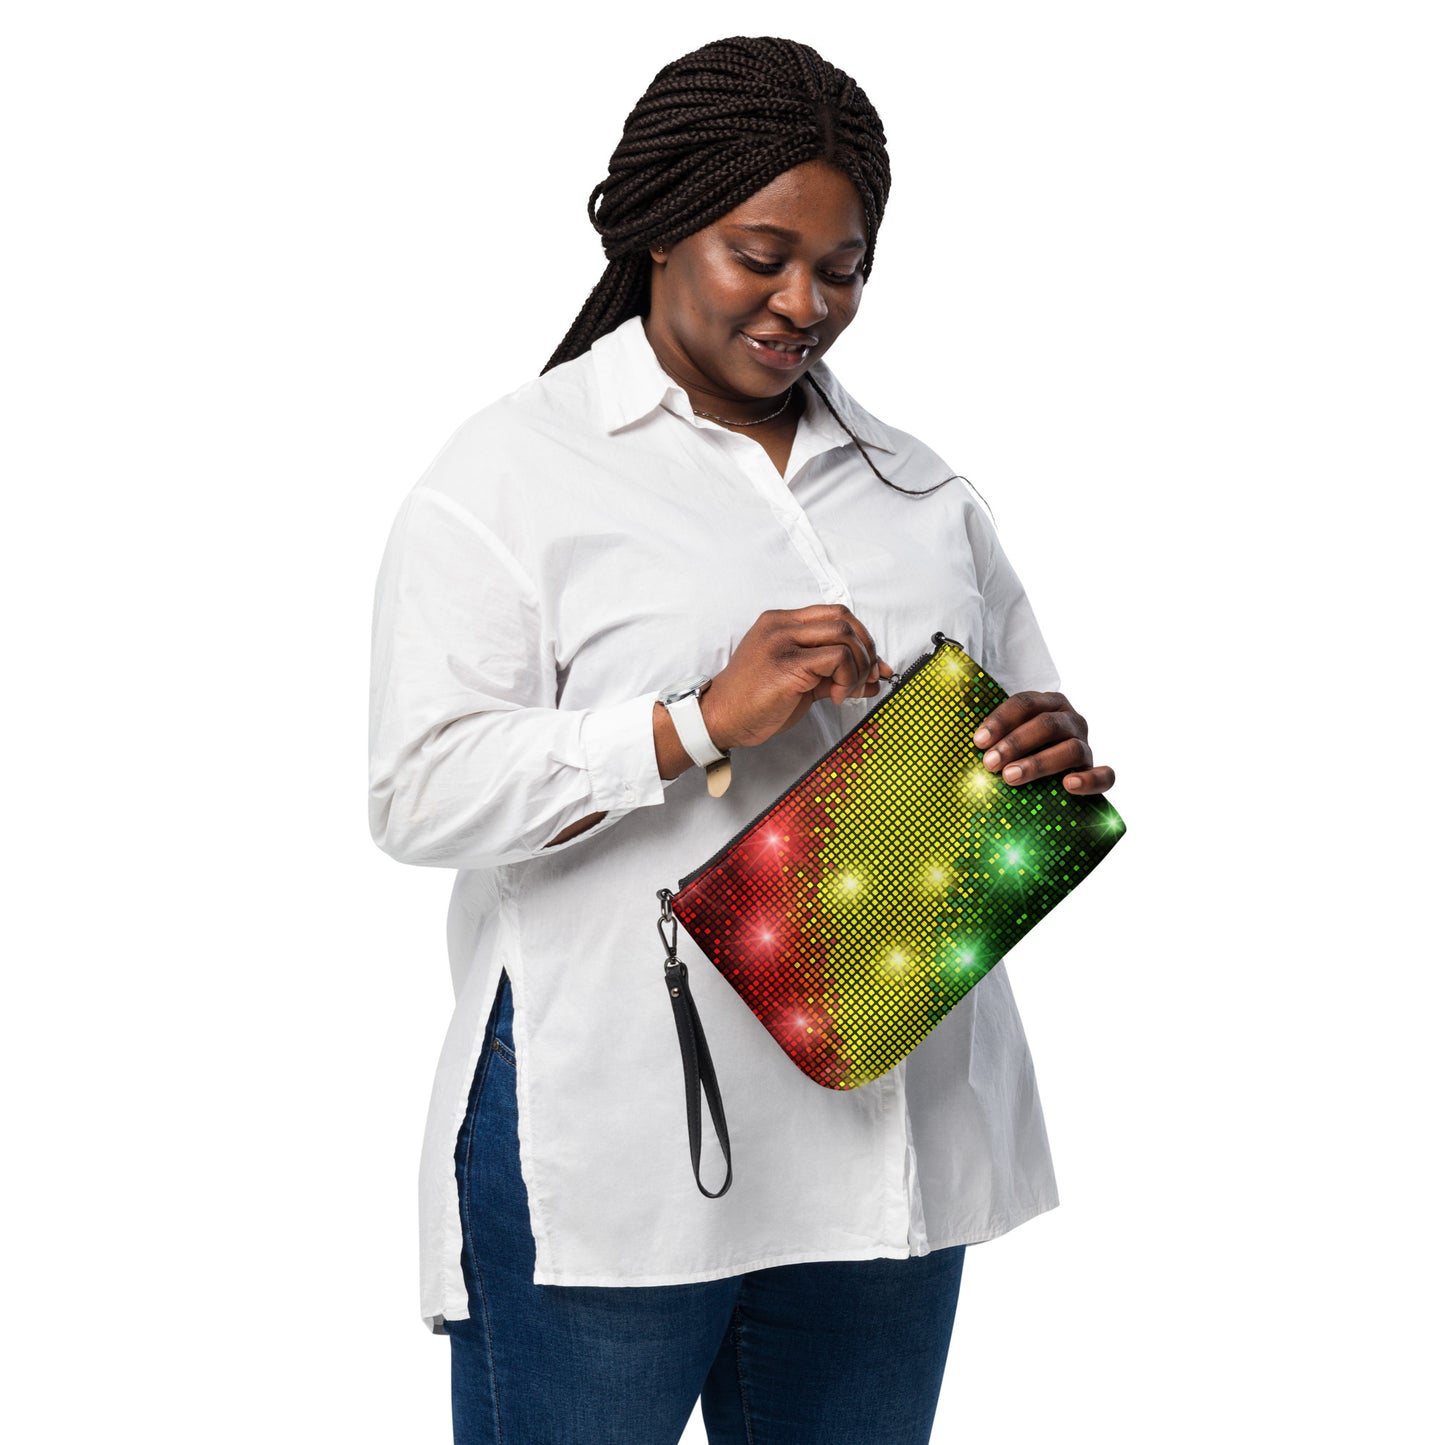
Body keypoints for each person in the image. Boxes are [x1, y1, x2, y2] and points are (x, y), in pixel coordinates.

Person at [368, 34, 1116, 1445]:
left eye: (842, 269)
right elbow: (416, 794)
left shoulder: (920, 490)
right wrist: (692, 722)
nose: (804, 304)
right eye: (759, 256)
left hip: (883, 1118)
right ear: (658, 228)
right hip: (617, 1144)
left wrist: (1034, 750)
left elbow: (1014, 719)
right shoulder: (513, 475)